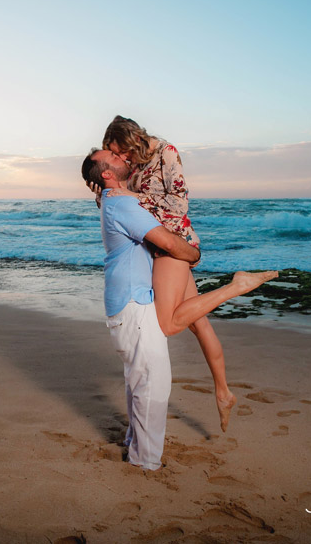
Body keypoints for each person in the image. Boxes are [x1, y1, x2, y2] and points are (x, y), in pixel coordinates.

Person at [81, 148, 278, 470]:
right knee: (152, 386)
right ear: (106, 174)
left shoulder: (118, 202)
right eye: (115, 157)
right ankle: (145, 462)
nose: (122, 157)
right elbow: (170, 244)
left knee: (138, 381)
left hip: (127, 302)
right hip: (133, 303)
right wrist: (195, 257)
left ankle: (135, 445)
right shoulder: (120, 205)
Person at [93, 116, 237, 432]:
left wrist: (134, 197)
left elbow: (178, 204)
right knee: (198, 323)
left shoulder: (166, 152)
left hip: (173, 245)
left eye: (121, 151)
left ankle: (235, 287)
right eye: (117, 155)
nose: (123, 159)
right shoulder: (134, 164)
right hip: (159, 244)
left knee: (169, 323)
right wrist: (103, 187)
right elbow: (122, 206)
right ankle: (223, 392)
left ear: (130, 138)